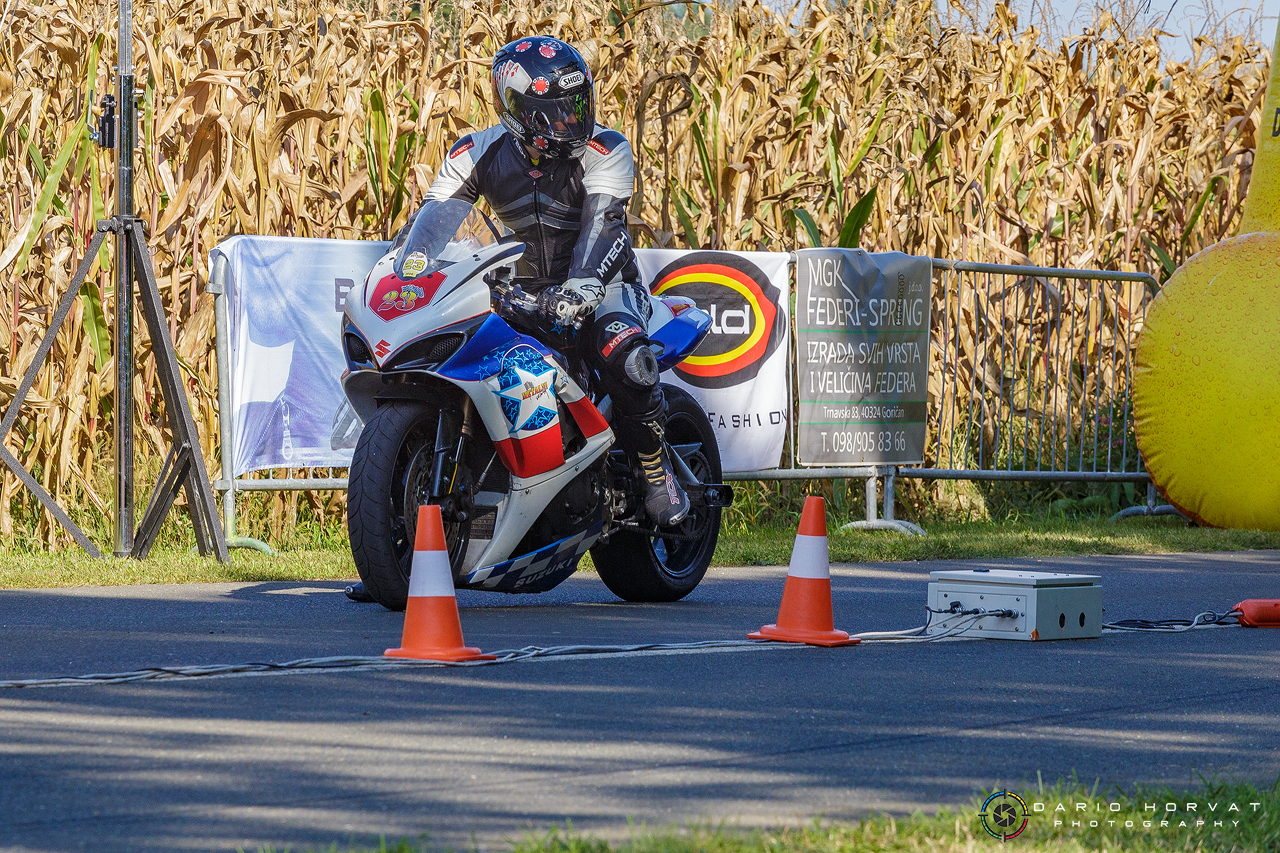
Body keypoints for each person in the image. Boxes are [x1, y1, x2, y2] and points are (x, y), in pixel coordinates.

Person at [414, 35, 689, 527]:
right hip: (516, 291)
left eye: (578, 102)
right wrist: (409, 270)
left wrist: (580, 289)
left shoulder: (607, 149)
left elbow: (603, 225)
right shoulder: (475, 151)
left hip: (604, 286)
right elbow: (432, 224)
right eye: (558, 109)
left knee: (625, 355)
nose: (573, 117)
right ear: (522, 113)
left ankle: (655, 471)